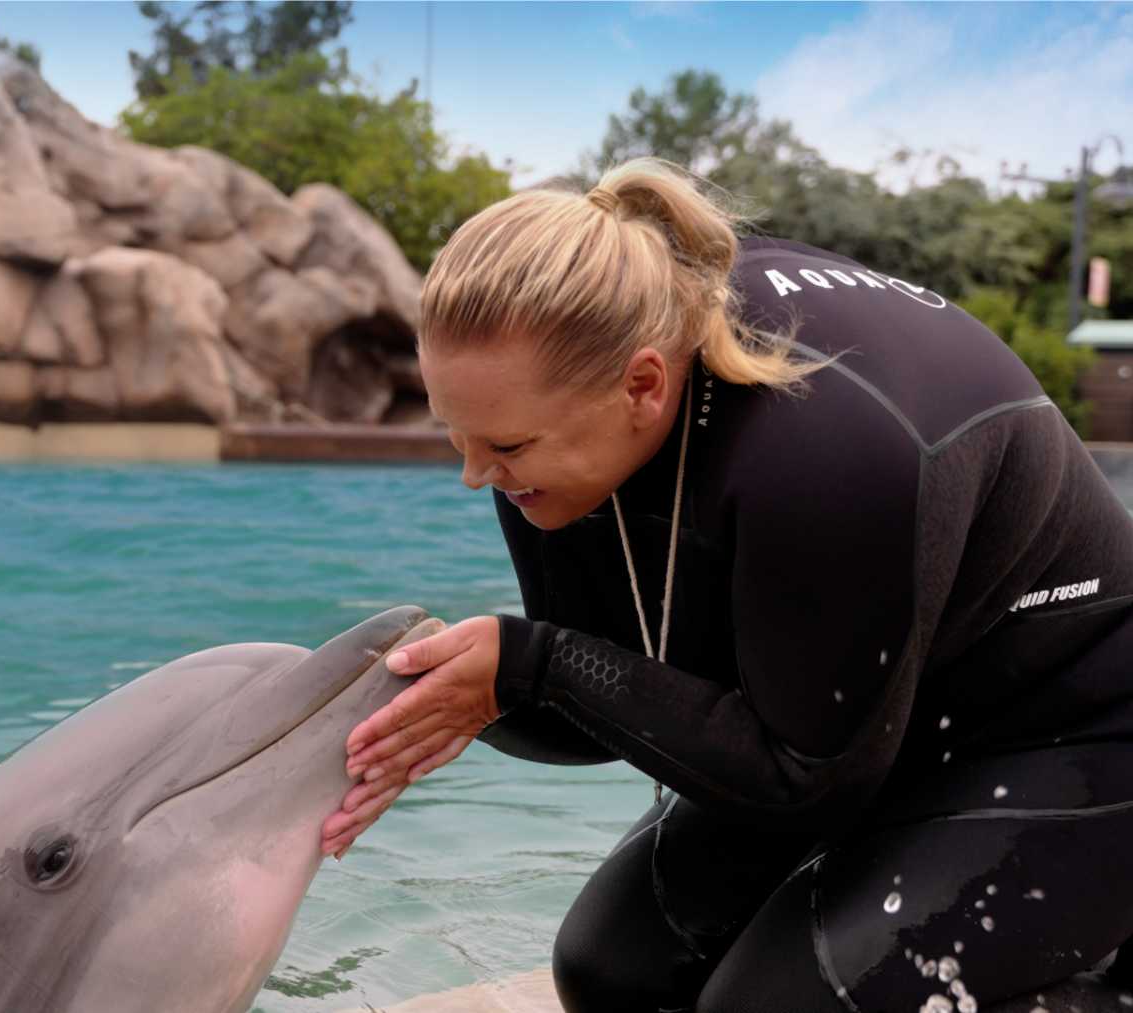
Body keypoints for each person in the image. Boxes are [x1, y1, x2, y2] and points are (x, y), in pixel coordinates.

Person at [318, 157, 1133, 1012]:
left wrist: (535, 663)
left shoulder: (821, 452)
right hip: (879, 724)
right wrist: (453, 691)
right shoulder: (556, 426)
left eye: (506, 447)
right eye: (457, 436)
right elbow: (605, 702)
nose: (476, 474)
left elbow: (806, 781)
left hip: (1073, 730)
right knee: (609, 972)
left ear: (643, 384)